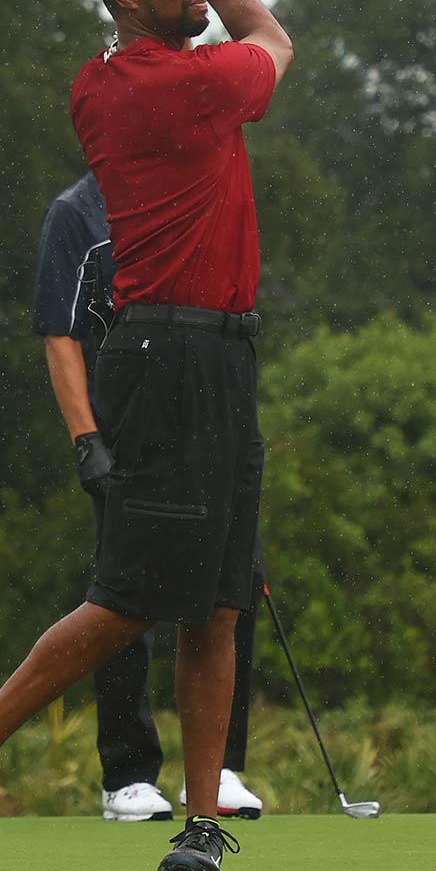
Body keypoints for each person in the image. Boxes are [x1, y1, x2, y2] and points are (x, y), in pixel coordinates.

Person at [0, 0, 291, 871]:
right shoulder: (164, 88)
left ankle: (197, 824)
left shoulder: (123, 71)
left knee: (219, 606)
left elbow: (234, 25)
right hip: (162, 360)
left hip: (223, 359)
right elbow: (272, 40)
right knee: (126, 603)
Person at [31, 173, 266, 825]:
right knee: (124, 598)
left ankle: (216, 768)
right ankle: (128, 774)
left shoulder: (192, 189)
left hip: (205, 412)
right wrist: (86, 439)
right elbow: (60, 332)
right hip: (128, 424)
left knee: (230, 588)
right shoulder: (75, 213)